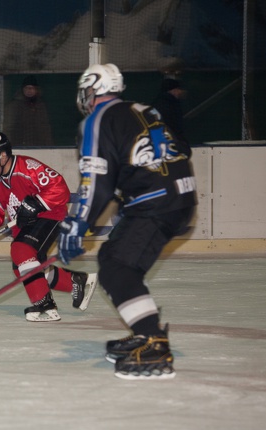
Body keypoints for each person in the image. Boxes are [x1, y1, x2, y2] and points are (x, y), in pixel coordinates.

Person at [57, 63, 197, 380]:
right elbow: (174, 152)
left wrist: (78, 223)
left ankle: (153, 343)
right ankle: (144, 329)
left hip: (155, 203)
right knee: (114, 260)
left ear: (91, 91)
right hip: (180, 199)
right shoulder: (145, 110)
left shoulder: (96, 120)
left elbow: (97, 181)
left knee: (118, 267)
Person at [0, 132, 97, 322]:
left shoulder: (28, 167)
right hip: (24, 226)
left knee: (21, 250)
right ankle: (76, 282)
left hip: (50, 215)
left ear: (2, 155)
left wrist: (38, 203)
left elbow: (60, 188)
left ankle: (44, 303)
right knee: (21, 268)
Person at [5, 75, 53, 146]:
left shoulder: (41, 105)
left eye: (32, 88)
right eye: (27, 88)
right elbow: (8, 127)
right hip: (19, 145)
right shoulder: (14, 105)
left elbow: (45, 127)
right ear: (22, 90)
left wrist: (49, 145)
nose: (29, 91)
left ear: (36, 90)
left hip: (39, 146)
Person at [152, 77, 190, 156]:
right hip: (173, 140)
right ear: (174, 90)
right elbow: (175, 125)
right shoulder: (172, 104)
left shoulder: (157, 103)